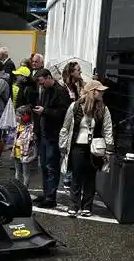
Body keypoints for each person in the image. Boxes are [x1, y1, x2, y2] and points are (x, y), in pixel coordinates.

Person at [60, 80, 113, 217]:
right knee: (76, 176)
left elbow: (108, 129)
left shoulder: (103, 109)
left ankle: (87, 207)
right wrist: (63, 146)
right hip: (77, 146)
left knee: (90, 177)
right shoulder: (75, 106)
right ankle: (73, 205)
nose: (102, 93)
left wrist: (108, 150)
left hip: (94, 148)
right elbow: (65, 127)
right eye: (99, 90)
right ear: (92, 92)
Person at [33, 68, 72, 208]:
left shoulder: (60, 91)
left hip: (53, 135)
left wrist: (45, 111)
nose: (41, 86)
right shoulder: (45, 91)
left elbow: (64, 114)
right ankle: (47, 193)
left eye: (42, 83)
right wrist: (36, 130)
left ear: (49, 77)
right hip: (45, 133)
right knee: (44, 165)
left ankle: (50, 197)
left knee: (51, 166)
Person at [60, 61, 85, 189]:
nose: (80, 72)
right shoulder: (63, 85)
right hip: (64, 120)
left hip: (73, 121)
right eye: (78, 70)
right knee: (65, 148)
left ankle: (68, 175)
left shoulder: (77, 85)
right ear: (71, 72)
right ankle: (66, 175)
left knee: (71, 148)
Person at [11, 105, 37, 187]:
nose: (16, 117)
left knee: (26, 173)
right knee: (17, 171)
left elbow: (33, 141)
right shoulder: (17, 126)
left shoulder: (31, 128)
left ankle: (25, 189)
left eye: (18, 115)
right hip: (16, 152)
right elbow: (13, 137)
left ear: (25, 116)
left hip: (26, 153)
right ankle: (17, 188)